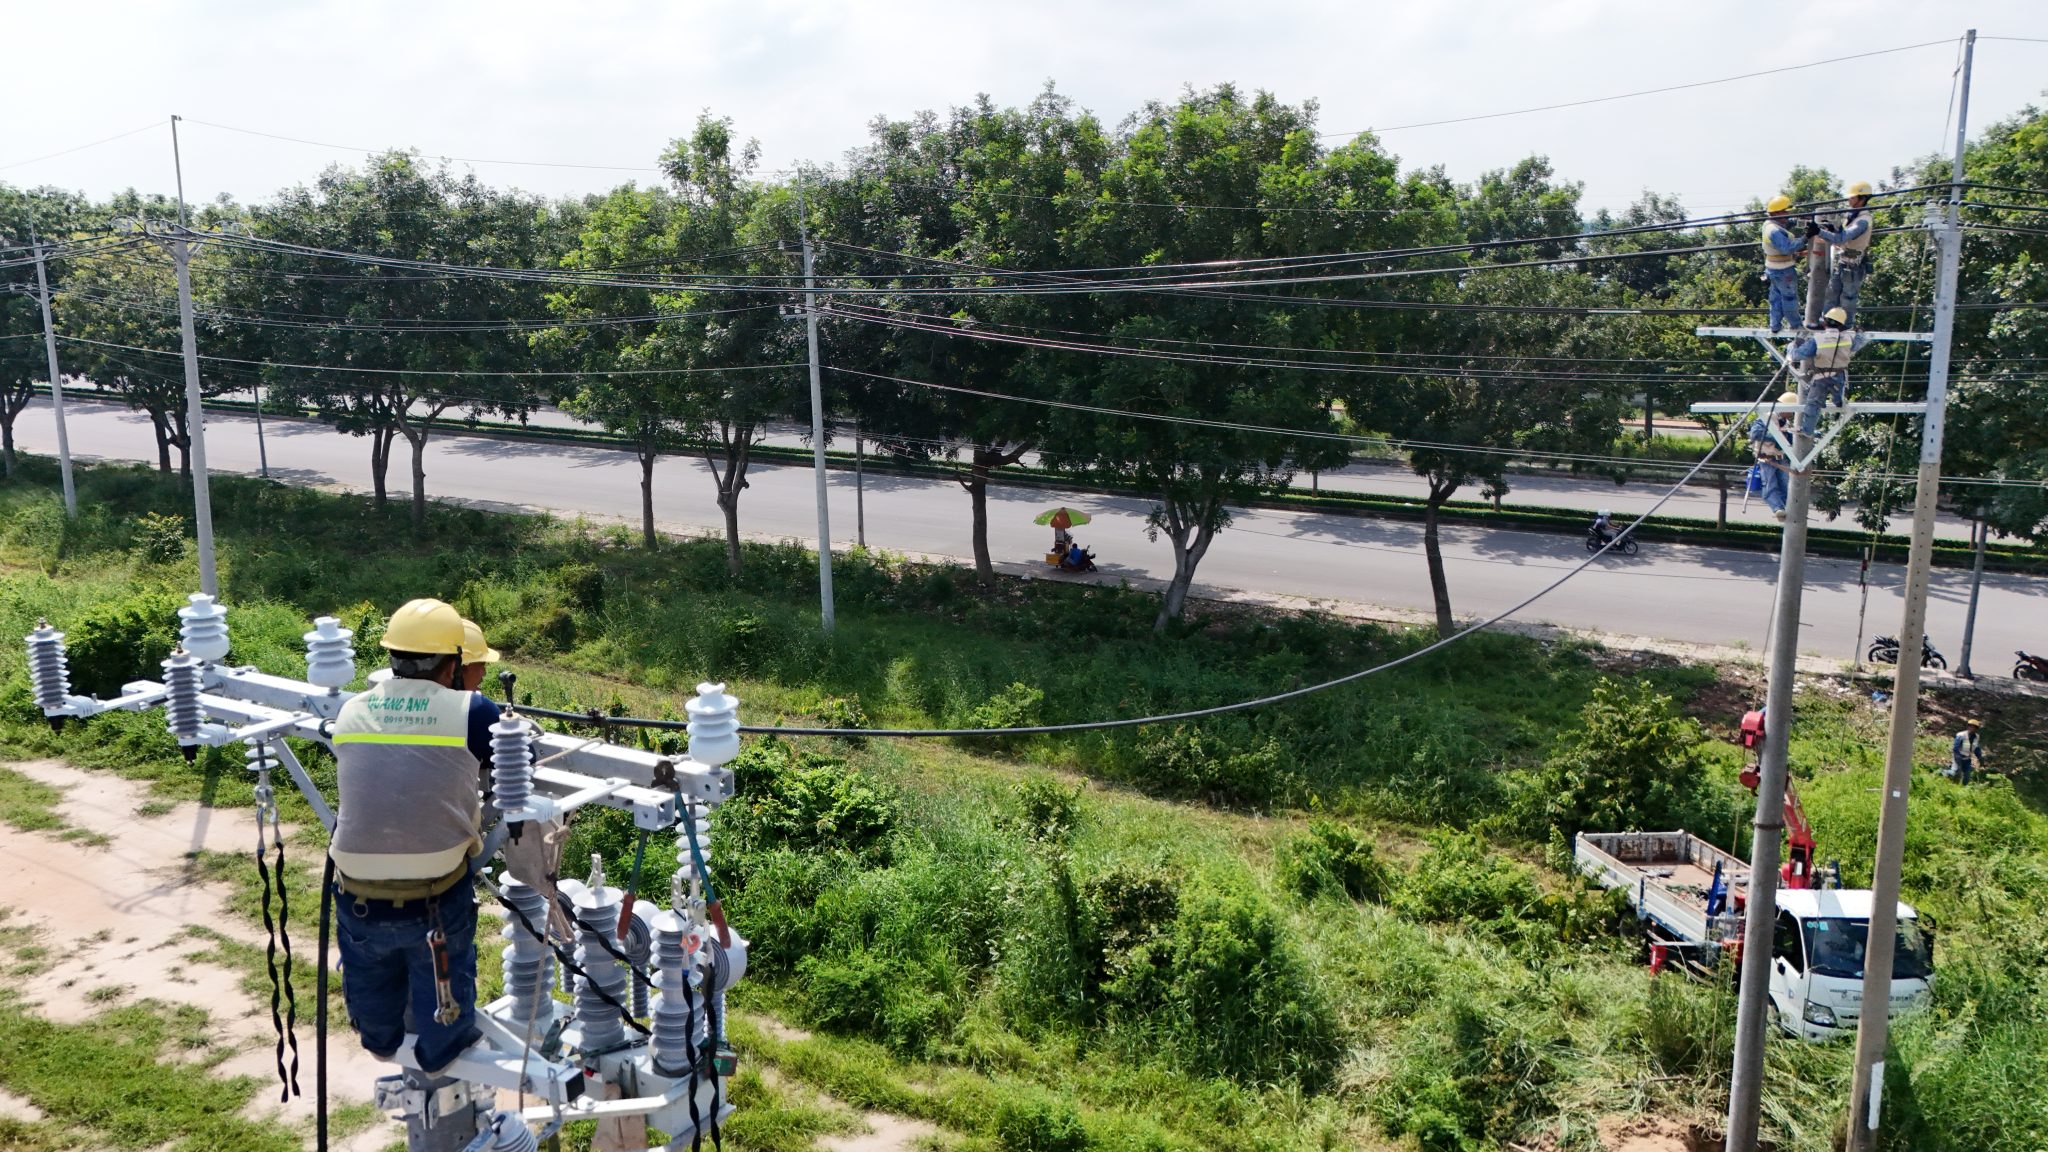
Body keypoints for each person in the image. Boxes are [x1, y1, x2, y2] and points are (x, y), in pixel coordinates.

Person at [330, 598, 502, 1075]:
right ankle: (440, 1051)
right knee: (442, 988)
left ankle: (380, 1039)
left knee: (372, 982)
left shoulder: (351, 709)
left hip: (356, 893)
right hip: (435, 897)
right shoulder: (472, 711)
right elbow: (513, 759)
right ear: (454, 664)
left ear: (393, 657)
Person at [1785, 308, 1876, 433]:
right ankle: (1838, 401)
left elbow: (1796, 355)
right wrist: (1859, 332)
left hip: (1820, 378)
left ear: (1825, 322)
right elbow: (1859, 343)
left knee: (1813, 405)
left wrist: (1794, 345)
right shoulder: (1848, 338)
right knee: (1838, 397)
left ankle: (1807, 430)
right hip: (1839, 376)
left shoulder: (1818, 339)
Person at [1817, 182, 1876, 326]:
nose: (1849, 200)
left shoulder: (1863, 220)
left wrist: (1818, 231)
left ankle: (1846, 326)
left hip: (1854, 265)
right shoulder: (1851, 216)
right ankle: (1826, 322)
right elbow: (1840, 236)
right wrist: (1831, 228)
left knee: (1848, 298)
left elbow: (1843, 238)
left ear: (1862, 198)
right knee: (1831, 293)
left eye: (1852, 198)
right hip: (1843, 261)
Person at [1748, 393, 1799, 521]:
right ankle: (1778, 509)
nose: (1793, 413)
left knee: (1786, 485)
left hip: (1780, 458)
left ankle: (1787, 509)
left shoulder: (1785, 422)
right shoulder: (1767, 417)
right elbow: (1755, 433)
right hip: (1767, 459)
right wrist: (1777, 437)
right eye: (1792, 409)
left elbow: (1789, 440)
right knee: (1770, 485)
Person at [1761, 194, 1807, 334]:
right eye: (1785, 212)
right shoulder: (1774, 231)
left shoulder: (1769, 224)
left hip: (1773, 268)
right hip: (1783, 270)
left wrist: (1803, 221)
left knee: (1775, 297)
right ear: (1776, 213)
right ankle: (1795, 325)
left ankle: (1775, 325)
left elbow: (1787, 223)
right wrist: (1806, 237)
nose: (1788, 215)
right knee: (1789, 297)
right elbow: (1788, 248)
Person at [458, 618, 501, 694]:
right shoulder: (477, 704)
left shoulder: (431, 700)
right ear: (458, 669)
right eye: (482, 664)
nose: (484, 673)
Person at [1950, 718, 1983, 784]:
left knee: (1967, 776)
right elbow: (1955, 749)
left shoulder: (1976, 737)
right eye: (1970, 726)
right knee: (1954, 773)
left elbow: (1976, 748)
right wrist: (1958, 761)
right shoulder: (1961, 735)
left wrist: (1980, 758)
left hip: (1967, 759)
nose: (1971, 728)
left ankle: (1964, 788)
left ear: (1976, 729)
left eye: (1973, 727)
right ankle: (1943, 773)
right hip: (1958, 757)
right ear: (1967, 726)